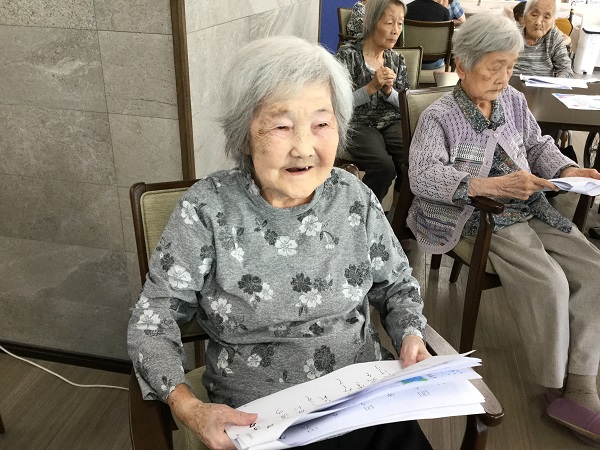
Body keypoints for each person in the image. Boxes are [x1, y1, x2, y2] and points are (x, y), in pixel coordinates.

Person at [128, 35, 432, 450]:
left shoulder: (354, 198)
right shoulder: (207, 210)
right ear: (244, 136)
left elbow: (396, 286)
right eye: (281, 126)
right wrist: (188, 406)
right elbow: (153, 318)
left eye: (321, 124)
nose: (303, 148)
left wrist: (410, 335)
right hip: (259, 422)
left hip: (363, 405)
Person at [407, 13, 600, 445]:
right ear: (462, 64)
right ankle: (556, 385)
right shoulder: (439, 116)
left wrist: (567, 169)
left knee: (594, 269)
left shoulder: (512, 100)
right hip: (480, 213)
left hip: (530, 202)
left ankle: (583, 378)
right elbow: (422, 176)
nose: (503, 77)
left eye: (510, 66)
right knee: (549, 281)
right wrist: (491, 185)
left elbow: (537, 144)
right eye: (494, 66)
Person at [336, 0, 409, 202]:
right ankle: (363, 212)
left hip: (392, 121)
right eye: (389, 23)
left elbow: (406, 104)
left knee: (414, 160)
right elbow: (337, 102)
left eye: (400, 24)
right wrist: (370, 88)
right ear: (372, 22)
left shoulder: (397, 60)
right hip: (359, 123)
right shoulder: (347, 56)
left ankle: (398, 215)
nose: (396, 31)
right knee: (383, 167)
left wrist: (389, 92)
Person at [513, 0, 573, 78]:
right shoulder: (513, 36)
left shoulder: (554, 37)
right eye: (534, 15)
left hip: (544, 85)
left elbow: (566, 70)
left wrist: (556, 83)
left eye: (546, 17)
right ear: (524, 16)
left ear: (553, 22)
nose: (538, 22)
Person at [405, 0, 451, 69]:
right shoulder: (444, 11)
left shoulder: (406, 8)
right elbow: (447, 41)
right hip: (433, 63)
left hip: (409, 62)